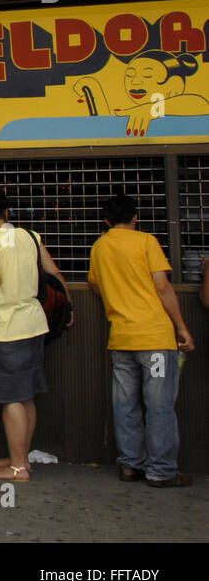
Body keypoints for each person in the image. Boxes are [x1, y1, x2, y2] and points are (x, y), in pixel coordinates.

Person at [87, 193, 195, 487]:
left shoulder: (99, 247)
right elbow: (162, 287)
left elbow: (95, 287)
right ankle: (161, 471)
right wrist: (182, 328)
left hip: (121, 338)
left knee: (125, 404)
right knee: (159, 405)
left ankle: (130, 466)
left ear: (106, 221)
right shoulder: (146, 242)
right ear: (136, 217)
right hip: (155, 339)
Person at [0, 183, 60, 483]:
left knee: (12, 400)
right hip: (33, 325)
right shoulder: (30, 236)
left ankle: (18, 468)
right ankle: (21, 458)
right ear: (7, 210)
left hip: (3, 330)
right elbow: (54, 274)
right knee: (26, 396)